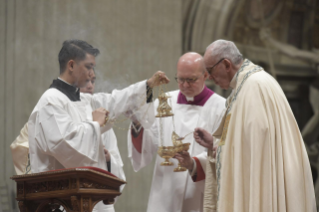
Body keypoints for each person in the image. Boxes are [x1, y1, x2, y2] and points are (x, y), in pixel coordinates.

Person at [28, 39, 169, 212]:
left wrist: (147, 85)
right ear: (71, 65)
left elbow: (115, 100)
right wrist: (95, 124)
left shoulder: (86, 100)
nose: (91, 73)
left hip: (88, 200)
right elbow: (67, 146)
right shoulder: (51, 101)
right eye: (88, 67)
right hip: (62, 203)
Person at [194, 39, 316, 212]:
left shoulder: (254, 87)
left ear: (227, 64)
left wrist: (221, 150)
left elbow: (258, 146)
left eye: (210, 71)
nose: (210, 78)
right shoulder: (248, 85)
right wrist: (214, 143)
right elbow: (246, 140)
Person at [127, 52, 226, 212]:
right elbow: (147, 145)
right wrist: (137, 123)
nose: (185, 85)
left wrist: (193, 164)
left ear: (205, 75)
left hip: (198, 194)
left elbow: (225, 152)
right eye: (180, 79)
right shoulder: (164, 102)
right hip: (165, 192)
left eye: (191, 80)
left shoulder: (221, 108)